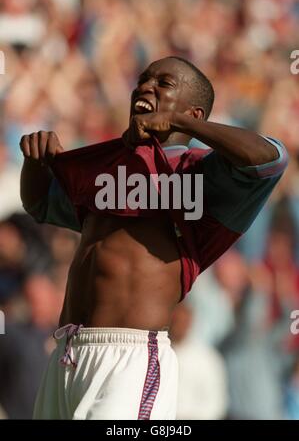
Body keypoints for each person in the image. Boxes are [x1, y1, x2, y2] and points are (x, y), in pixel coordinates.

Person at [19, 56, 288, 420]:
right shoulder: (106, 167)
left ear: (193, 114)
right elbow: (40, 205)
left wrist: (176, 123)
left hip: (129, 358)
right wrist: (35, 162)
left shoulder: (202, 174)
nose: (145, 87)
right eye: (144, 79)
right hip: (67, 351)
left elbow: (269, 159)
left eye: (164, 84)